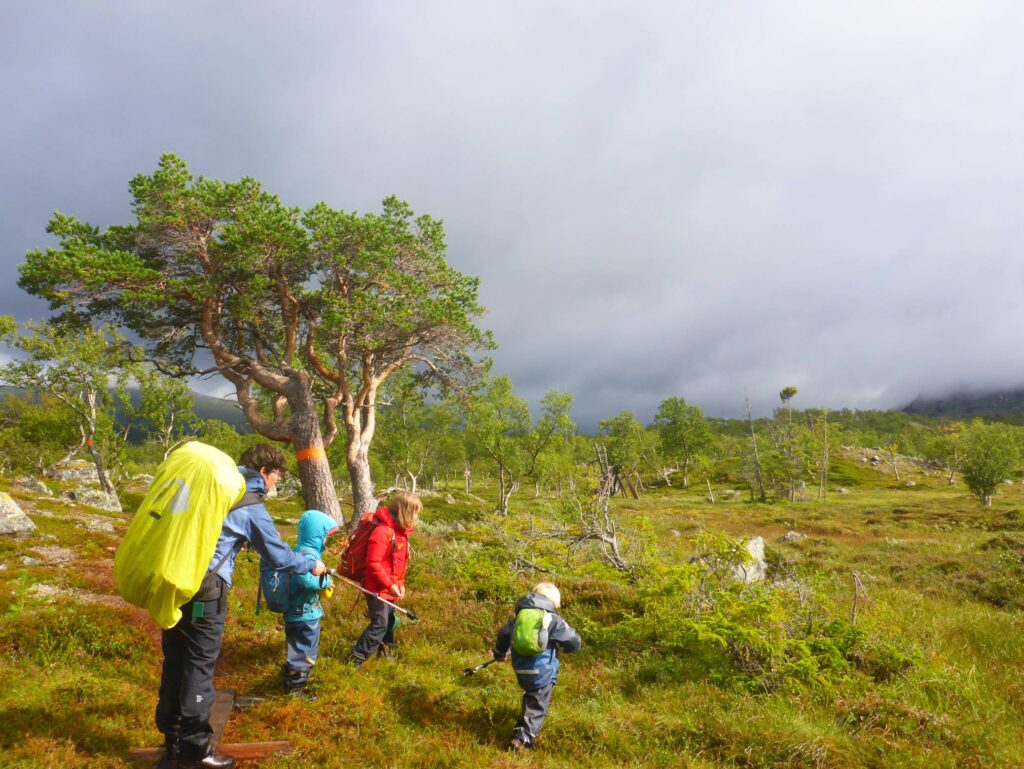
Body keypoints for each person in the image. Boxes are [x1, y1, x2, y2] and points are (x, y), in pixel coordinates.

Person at [155, 444, 328, 769]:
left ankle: (172, 739)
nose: (275, 484)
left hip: (175, 579)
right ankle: (196, 749)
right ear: (265, 471)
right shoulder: (248, 501)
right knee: (199, 664)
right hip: (207, 589)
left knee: (175, 659)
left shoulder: (215, 491)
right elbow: (279, 557)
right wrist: (311, 565)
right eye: (276, 477)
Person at [490, 582, 582, 751]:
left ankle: (522, 729)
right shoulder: (552, 619)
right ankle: (521, 740)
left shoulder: (519, 617)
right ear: (554, 602)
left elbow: (503, 634)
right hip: (543, 672)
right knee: (537, 704)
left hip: (520, 669)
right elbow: (573, 640)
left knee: (531, 696)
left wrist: (499, 653)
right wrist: (571, 649)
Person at [347, 491, 421, 667]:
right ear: (405, 511)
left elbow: (398, 565)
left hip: (388, 589)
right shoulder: (382, 532)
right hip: (376, 588)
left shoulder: (400, 533)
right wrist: (389, 585)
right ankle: (354, 660)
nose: (417, 516)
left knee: (389, 622)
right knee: (380, 624)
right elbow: (373, 564)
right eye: (415, 512)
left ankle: (386, 653)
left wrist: (400, 585)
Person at [280, 509, 339, 699]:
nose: (328, 541)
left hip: (298, 612)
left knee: (298, 646)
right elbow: (306, 580)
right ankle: (295, 689)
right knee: (305, 650)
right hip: (304, 614)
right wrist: (326, 582)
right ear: (318, 535)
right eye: (326, 536)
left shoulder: (300, 551)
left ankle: (289, 676)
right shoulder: (307, 555)